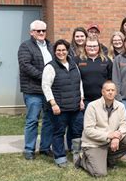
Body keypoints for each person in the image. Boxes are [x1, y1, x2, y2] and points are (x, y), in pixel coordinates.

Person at [76, 81, 126, 177]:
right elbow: (88, 130)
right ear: (102, 92)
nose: (110, 92)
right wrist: (108, 135)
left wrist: (117, 136)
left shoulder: (120, 106)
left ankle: (108, 158)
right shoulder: (92, 106)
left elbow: (124, 125)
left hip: (109, 142)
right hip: (94, 144)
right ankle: (82, 159)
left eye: (113, 90)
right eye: (108, 90)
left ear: (116, 92)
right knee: (100, 173)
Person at [42, 39, 84, 167]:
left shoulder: (73, 64)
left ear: (67, 51)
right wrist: (53, 104)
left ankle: (77, 154)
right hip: (59, 107)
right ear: (54, 52)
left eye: (63, 50)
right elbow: (46, 86)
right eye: (58, 50)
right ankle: (60, 157)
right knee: (59, 132)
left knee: (77, 131)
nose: (61, 52)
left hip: (75, 106)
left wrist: (81, 99)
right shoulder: (50, 66)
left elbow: (79, 82)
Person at [18, 20, 54, 160]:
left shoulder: (51, 46)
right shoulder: (25, 47)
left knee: (49, 119)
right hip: (33, 90)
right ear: (31, 32)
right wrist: (45, 77)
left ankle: (45, 147)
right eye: (38, 31)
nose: (41, 33)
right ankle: (29, 149)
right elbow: (26, 66)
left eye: (43, 30)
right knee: (32, 120)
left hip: (49, 91)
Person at [75, 37, 113, 106]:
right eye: (89, 46)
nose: (92, 48)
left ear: (99, 47)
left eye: (94, 46)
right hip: (84, 101)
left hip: (103, 99)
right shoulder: (77, 60)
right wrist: (79, 99)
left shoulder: (106, 61)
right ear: (85, 47)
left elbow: (111, 80)